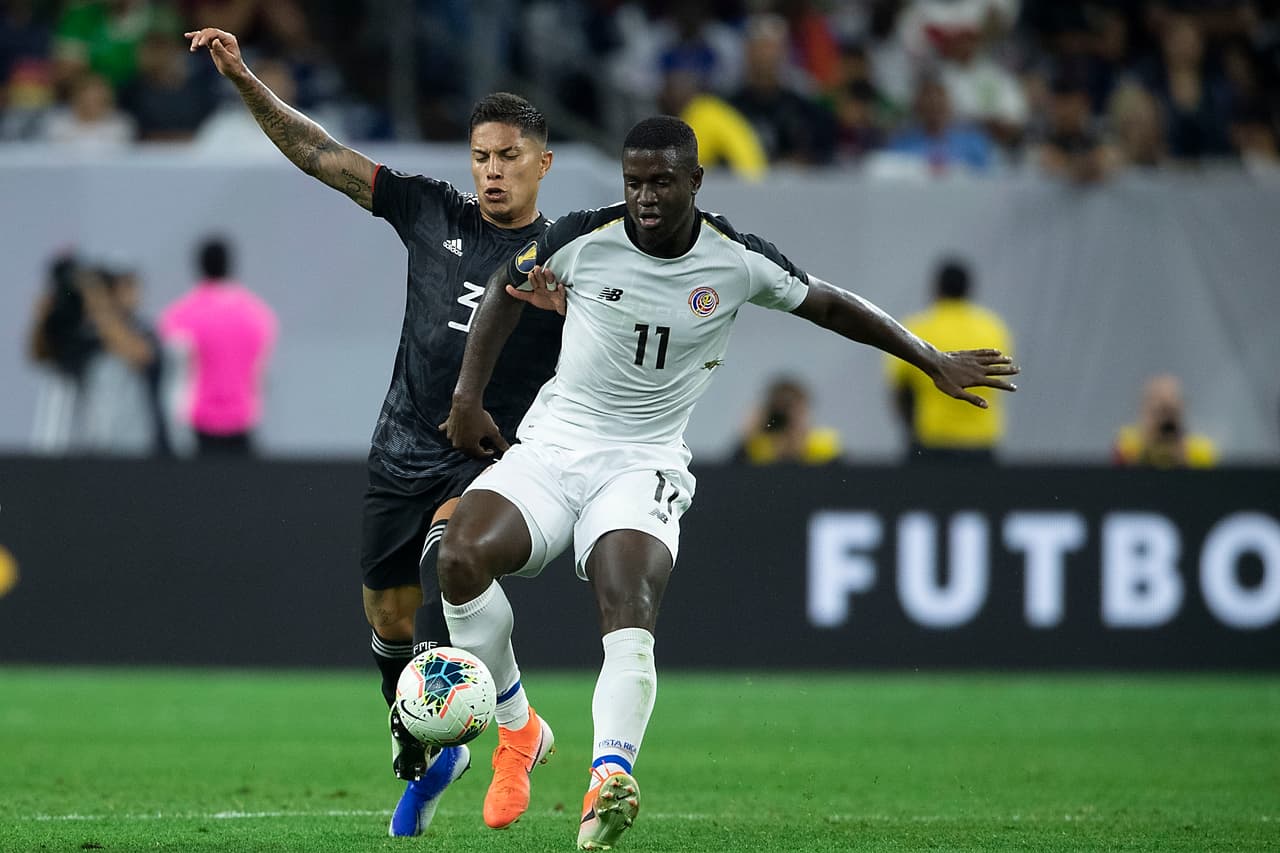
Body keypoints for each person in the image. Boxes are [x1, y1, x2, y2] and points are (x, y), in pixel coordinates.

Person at [435, 116, 1018, 850]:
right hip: (555, 445)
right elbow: (501, 287)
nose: (645, 196)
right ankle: (519, 732)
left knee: (628, 601)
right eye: (634, 181)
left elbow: (830, 302)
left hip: (642, 462)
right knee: (459, 558)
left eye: (661, 181)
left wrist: (928, 357)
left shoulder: (735, 259)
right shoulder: (581, 238)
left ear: (695, 183)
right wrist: (467, 399)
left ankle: (607, 778)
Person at [185, 25, 563, 838]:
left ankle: (511, 733)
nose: (492, 170)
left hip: (487, 459)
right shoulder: (430, 210)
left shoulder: (569, 257)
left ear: (542, 162)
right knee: (389, 620)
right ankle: (432, 746)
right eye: (482, 155)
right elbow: (321, 154)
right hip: (399, 453)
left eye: (508, 156)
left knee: (450, 562)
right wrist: (246, 80)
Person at [28, 252, 170, 456]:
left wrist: (98, 304)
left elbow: (141, 355)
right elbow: (40, 354)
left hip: (134, 446)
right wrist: (43, 318)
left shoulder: (139, 330)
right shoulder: (83, 333)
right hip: (85, 444)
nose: (132, 294)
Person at [885, 258, 1013, 464]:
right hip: (982, 442)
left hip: (932, 441)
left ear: (936, 288)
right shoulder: (993, 329)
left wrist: (912, 436)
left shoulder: (917, 329)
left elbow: (900, 391)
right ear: (969, 289)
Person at [158, 237, 277, 457]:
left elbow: (176, 368)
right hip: (243, 419)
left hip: (199, 425)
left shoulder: (182, 314)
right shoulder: (256, 314)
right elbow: (261, 370)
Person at [731, 376, 842, 465]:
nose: (786, 419)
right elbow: (729, 476)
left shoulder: (823, 448)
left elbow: (845, 481)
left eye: (794, 410)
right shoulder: (757, 450)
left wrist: (797, 442)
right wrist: (747, 437)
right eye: (779, 412)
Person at [1113, 374, 1218, 468]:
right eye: (1160, 410)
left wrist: (1181, 455)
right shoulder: (1128, 445)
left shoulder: (1201, 450)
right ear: (1144, 407)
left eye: (1170, 410)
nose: (1165, 419)